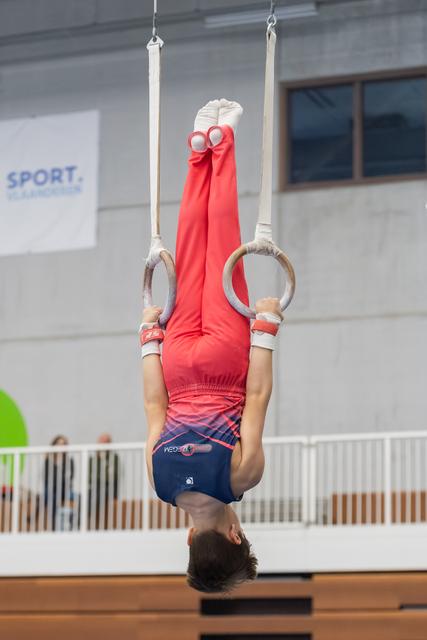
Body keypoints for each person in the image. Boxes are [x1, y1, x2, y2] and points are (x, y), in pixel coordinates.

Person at [141, 99, 283, 593]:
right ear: (188, 541)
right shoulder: (158, 480)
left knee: (223, 246)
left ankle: (221, 145)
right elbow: (154, 403)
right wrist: (148, 338)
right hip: (177, 364)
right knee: (191, 251)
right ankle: (198, 153)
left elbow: (258, 398)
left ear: (234, 532)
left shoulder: (241, 476)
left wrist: (265, 328)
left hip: (223, 360)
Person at [88, 433, 120, 529]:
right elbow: (90, 477)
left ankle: (92, 518)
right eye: (101, 442)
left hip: (109, 488)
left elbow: (113, 476)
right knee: (88, 495)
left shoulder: (114, 458)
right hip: (95, 487)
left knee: (101, 492)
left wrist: (101, 475)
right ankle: (86, 518)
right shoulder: (92, 459)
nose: (103, 444)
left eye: (106, 442)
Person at [43, 434, 74, 531]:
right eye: (59, 444)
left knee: (77, 497)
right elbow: (48, 478)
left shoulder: (69, 461)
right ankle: (53, 528)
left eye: (63, 444)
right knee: (52, 496)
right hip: (52, 489)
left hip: (65, 489)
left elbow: (70, 477)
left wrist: (60, 480)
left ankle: (72, 526)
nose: (61, 446)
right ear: (54, 445)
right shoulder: (49, 460)